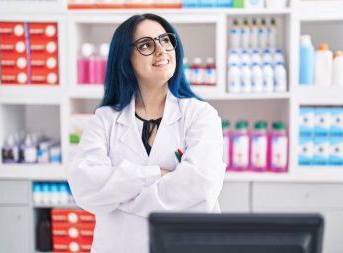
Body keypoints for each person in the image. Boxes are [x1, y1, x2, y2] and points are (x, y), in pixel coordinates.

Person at [66, 13, 226, 253]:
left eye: (165, 40)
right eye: (146, 45)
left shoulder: (201, 115)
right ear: (125, 59)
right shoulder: (104, 120)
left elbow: (200, 188)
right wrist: (155, 175)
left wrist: (120, 196)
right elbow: (85, 186)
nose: (161, 50)